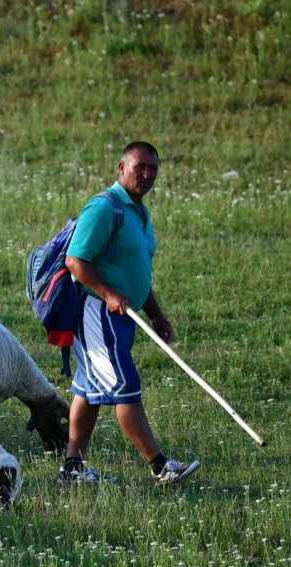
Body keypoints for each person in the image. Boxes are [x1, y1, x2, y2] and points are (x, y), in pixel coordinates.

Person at [58, 141, 199, 486]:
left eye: (153, 169)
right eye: (140, 167)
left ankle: (72, 469)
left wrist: (157, 315)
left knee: (88, 390)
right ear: (121, 169)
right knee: (125, 386)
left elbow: (135, 273)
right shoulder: (105, 208)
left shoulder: (139, 212)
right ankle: (160, 466)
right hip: (98, 313)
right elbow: (75, 261)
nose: (148, 174)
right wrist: (107, 294)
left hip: (123, 316)